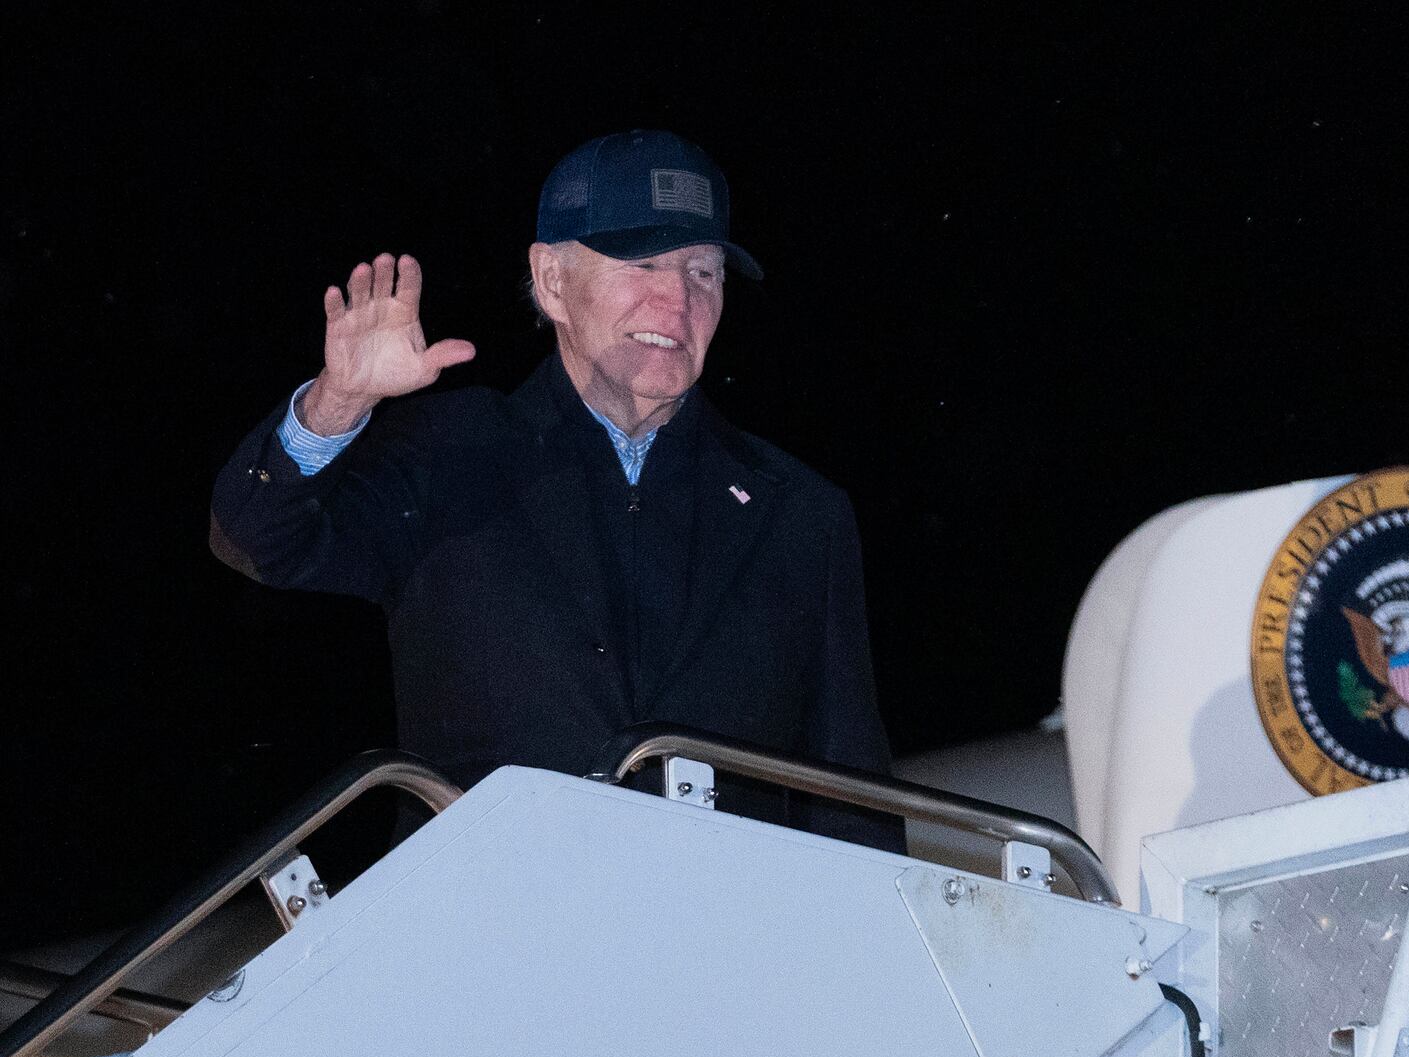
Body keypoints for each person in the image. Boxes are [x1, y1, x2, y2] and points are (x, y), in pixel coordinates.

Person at [210, 129, 901, 851]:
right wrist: (337, 404)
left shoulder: (798, 512)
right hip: (491, 939)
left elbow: (851, 792)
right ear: (552, 281)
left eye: (703, 271)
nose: (676, 302)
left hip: (725, 945)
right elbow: (258, 537)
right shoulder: (450, 455)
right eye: (643, 262)